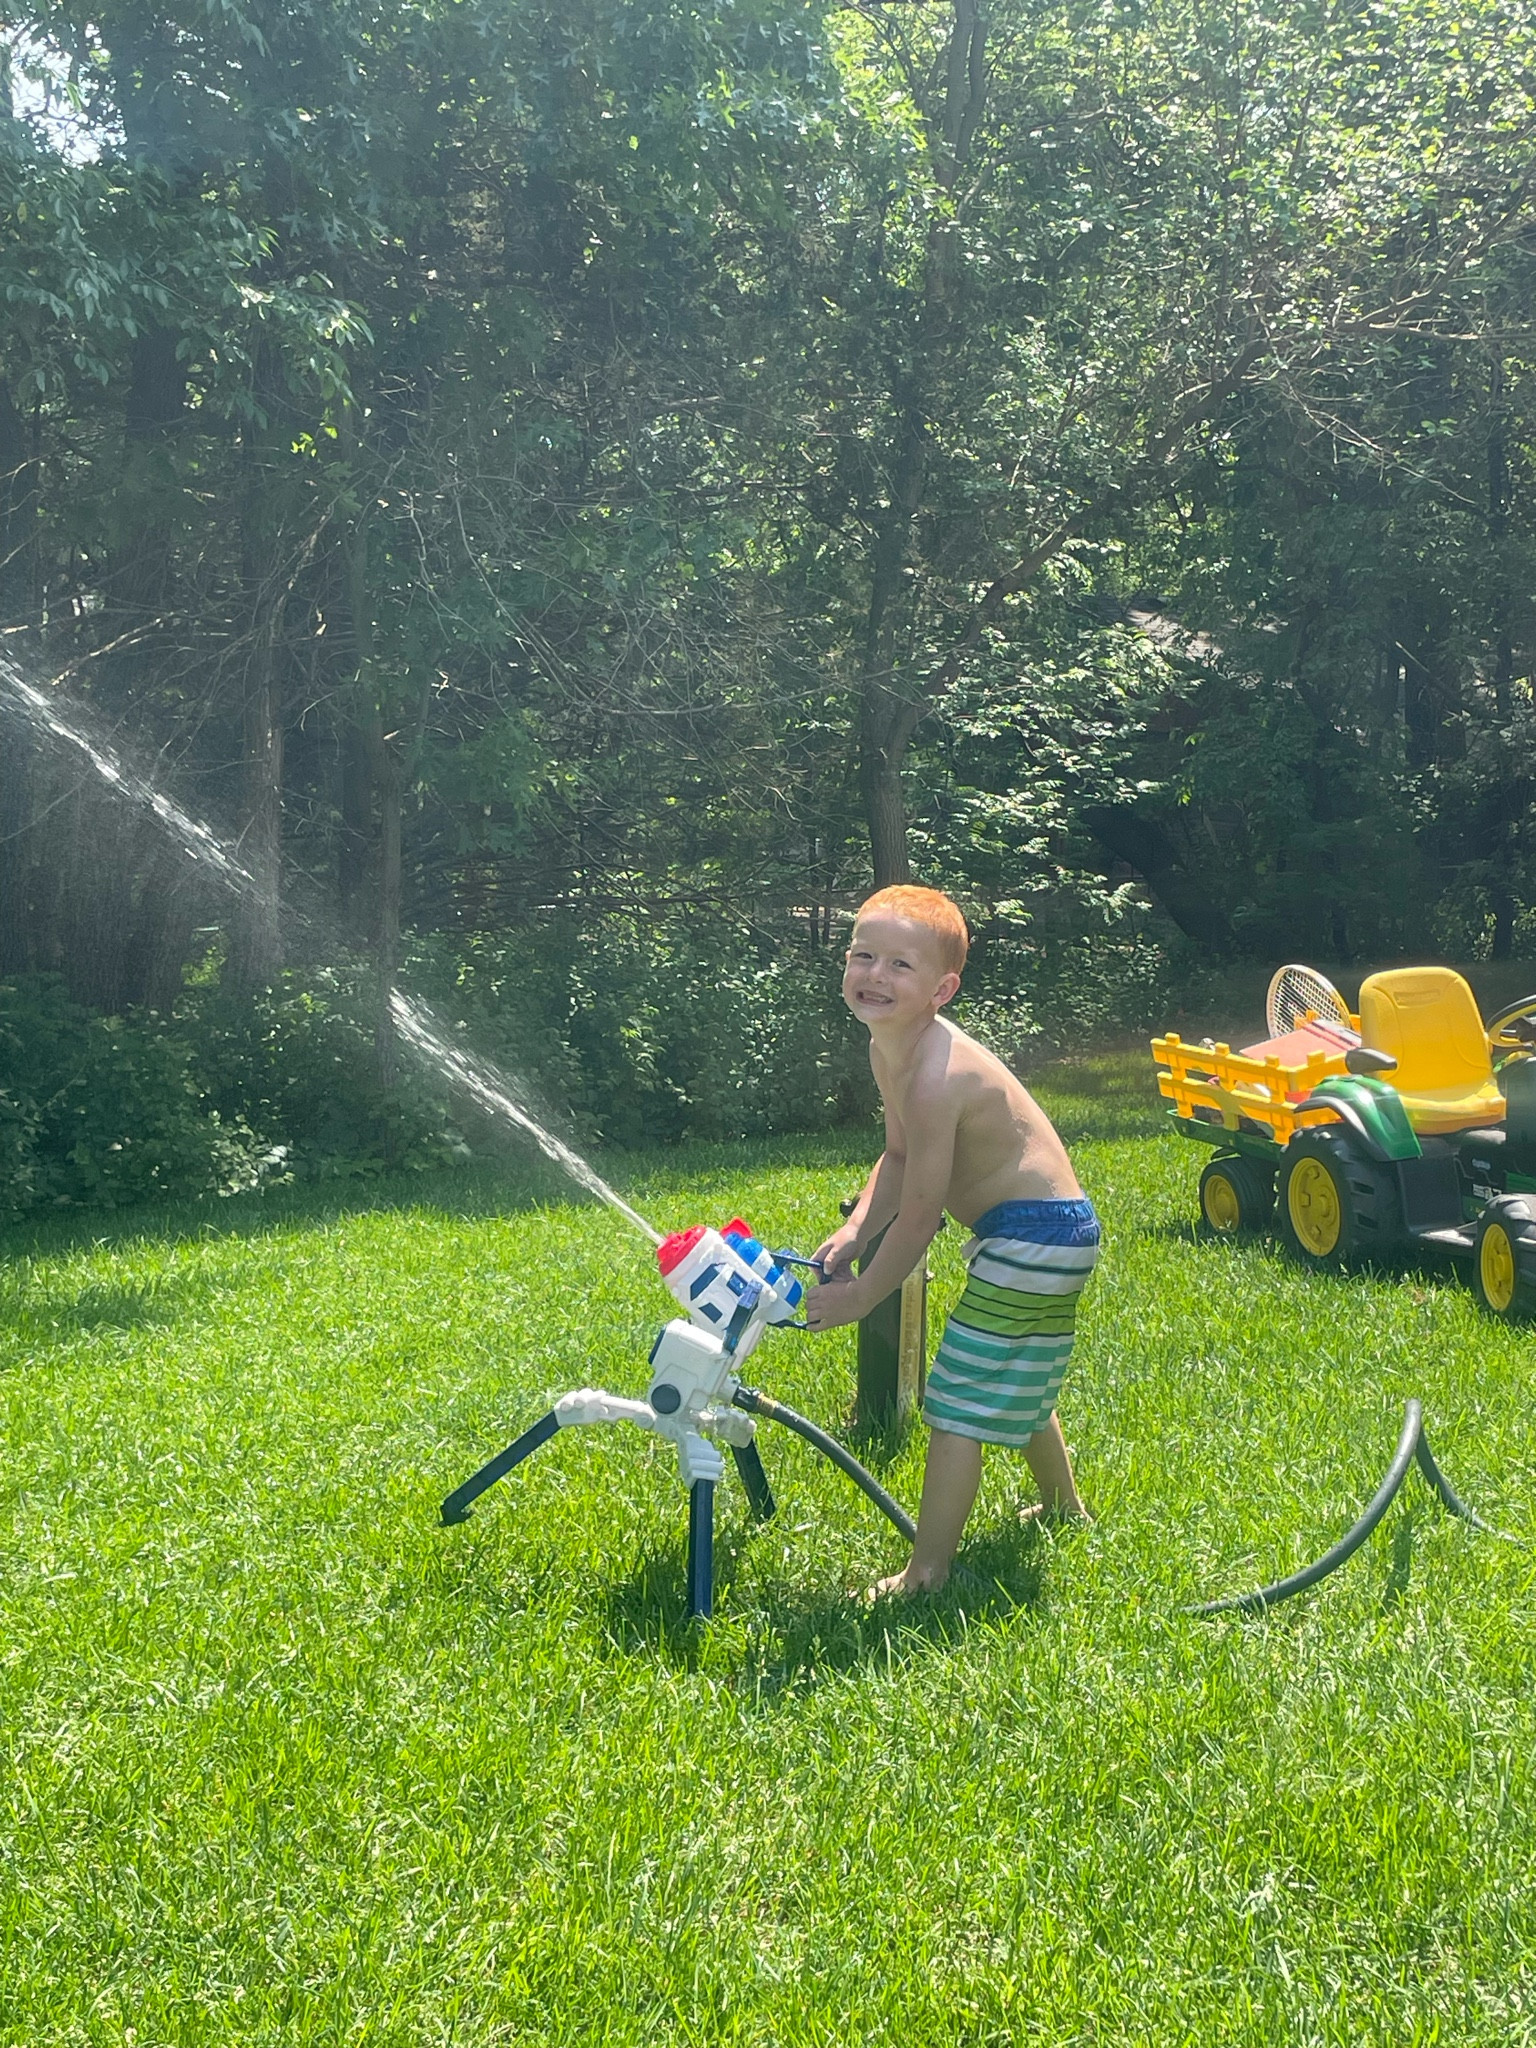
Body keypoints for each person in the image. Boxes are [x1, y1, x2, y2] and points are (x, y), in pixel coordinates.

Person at [806, 884, 1099, 1596]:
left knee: (955, 1407)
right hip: (1055, 1235)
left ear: (942, 988)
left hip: (1030, 1239)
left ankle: (928, 1571)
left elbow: (921, 1215)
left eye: (899, 965)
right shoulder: (892, 1053)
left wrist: (863, 1294)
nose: (875, 975)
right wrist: (854, 1228)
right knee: (1014, 1373)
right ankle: (1065, 1507)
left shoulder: (938, 1076)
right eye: (862, 955)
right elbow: (899, 1160)